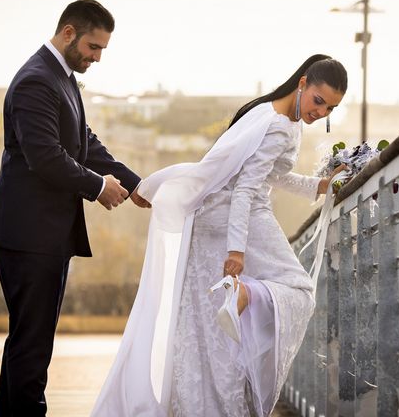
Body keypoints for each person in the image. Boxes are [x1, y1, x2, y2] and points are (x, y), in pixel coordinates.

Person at [91, 54, 348, 416]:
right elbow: (246, 189)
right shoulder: (281, 126)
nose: (320, 113)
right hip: (238, 216)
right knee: (300, 290)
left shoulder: (268, 111)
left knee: (205, 330)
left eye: (330, 109)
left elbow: (268, 174)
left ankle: (201, 406)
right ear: (303, 83)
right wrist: (237, 250)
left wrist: (318, 185)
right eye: (318, 101)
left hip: (209, 218)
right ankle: (247, 293)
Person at [0, 0, 151, 416]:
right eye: (94, 47)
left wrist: (136, 183)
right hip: (27, 232)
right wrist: (97, 187)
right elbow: (45, 155)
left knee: (29, 339)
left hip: (41, 231)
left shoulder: (62, 76)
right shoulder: (36, 79)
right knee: (33, 342)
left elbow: (84, 142)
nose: (96, 58)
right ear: (69, 33)